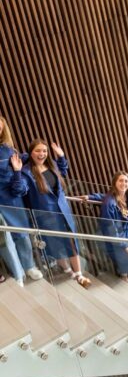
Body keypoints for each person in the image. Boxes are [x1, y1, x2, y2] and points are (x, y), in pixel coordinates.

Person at [21, 139, 91, 288]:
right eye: (38, 151)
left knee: (72, 241)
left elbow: (63, 173)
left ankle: (79, 274)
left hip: (63, 211)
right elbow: (21, 190)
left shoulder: (51, 165)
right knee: (56, 244)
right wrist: (15, 172)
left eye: (44, 151)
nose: (42, 154)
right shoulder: (26, 172)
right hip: (45, 215)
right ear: (30, 153)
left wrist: (61, 157)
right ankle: (68, 271)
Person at [0, 117, 43, 286]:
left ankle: (29, 266)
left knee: (22, 234)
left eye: (0, 128)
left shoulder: (9, 150)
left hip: (12, 198)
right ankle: (18, 273)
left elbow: (27, 161)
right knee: (4, 239)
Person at [95, 171, 128, 287]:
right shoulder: (109, 203)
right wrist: (125, 245)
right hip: (115, 234)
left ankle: (127, 273)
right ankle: (126, 275)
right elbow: (110, 228)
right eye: (121, 181)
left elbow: (101, 196)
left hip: (127, 231)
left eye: (126, 181)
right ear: (115, 183)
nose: (124, 183)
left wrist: (92, 196)